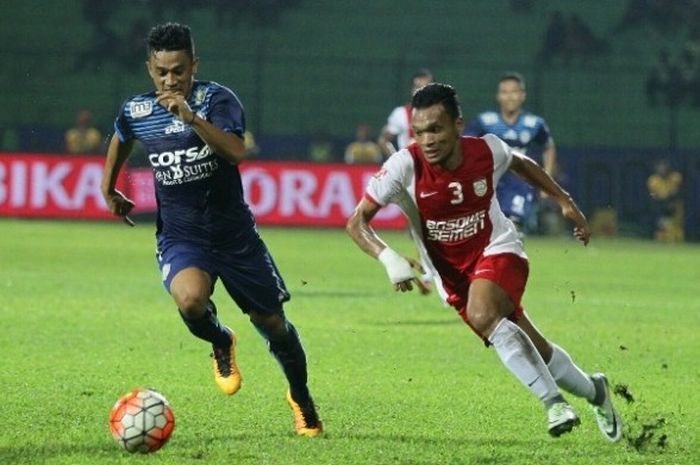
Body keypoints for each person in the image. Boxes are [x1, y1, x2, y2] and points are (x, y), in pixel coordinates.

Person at [346, 83, 622, 441]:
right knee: (534, 347)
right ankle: (596, 391)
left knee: (483, 313)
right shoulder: (404, 166)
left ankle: (554, 403)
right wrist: (388, 257)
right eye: (419, 131)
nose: (427, 140)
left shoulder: (486, 150)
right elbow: (356, 222)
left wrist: (563, 199)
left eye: (436, 129)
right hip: (452, 279)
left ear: (458, 125)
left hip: (499, 249)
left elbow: (521, 163)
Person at [100, 22, 322, 437]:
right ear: (150, 69)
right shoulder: (139, 110)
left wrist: (192, 119)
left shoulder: (217, 100)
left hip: (235, 237)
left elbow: (236, 152)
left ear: (193, 65)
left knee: (273, 324)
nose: (171, 80)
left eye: (179, 70)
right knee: (190, 301)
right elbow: (121, 135)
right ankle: (221, 340)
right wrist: (108, 186)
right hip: (182, 237)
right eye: (163, 71)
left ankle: (301, 397)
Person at [464, 72, 557, 234]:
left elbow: (548, 147)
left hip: (519, 183)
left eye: (514, 92)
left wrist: (546, 180)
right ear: (498, 96)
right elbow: (465, 146)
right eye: (505, 92)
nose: (509, 97)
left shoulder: (534, 124)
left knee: (514, 227)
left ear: (522, 96)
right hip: (489, 181)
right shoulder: (485, 122)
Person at [378, 68, 435, 293]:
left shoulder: (441, 113)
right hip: (413, 176)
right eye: (418, 87)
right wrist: (396, 161)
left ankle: (434, 268)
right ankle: (433, 270)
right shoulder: (401, 114)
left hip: (438, 174)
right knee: (423, 225)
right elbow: (384, 139)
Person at [647, 159, 684, 241]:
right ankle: (659, 237)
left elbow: (679, 192)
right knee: (660, 225)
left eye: (663, 167)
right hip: (660, 205)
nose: (662, 169)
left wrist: (672, 202)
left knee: (677, 225)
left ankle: (677, 239)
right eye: (660, 167)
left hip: (674, 204)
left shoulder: (675, 177)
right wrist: (659, 202)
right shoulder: (653, 180)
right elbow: (652, 195)